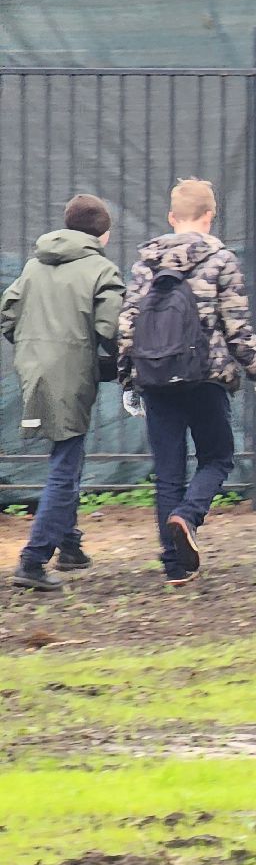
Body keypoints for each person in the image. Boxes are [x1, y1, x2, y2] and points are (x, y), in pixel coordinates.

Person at [117, 179, 256, 587]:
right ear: (210, 216)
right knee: (216, 458)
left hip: (156, 378)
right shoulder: (220, 260)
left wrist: (129, 378)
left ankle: (174, 566)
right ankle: (189, 515)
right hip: (205, 377)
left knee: (167, 473)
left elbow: (127, 323)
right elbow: (237, 328)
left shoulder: (146, 261)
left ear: (171, 217)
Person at [2, 195, 125, 591]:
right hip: (71, 374)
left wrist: (30, 350)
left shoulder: (35, 264)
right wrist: (123, 366)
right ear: (104, 235)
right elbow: (113, 331)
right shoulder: (102, 269)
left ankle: (70, 547)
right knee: (65, 463)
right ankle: (32, 561)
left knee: (66, 449)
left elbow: (8, 313)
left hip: (34, 368)